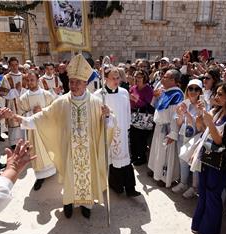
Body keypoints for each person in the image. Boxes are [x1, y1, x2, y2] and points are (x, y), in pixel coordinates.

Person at [13, 54, 114, 219]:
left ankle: (86, 204)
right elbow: (44, 116)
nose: (73, 85)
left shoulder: (96, 101)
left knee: (86, 178)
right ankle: (68, 202)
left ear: (85, 83)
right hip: (69, 149)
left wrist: (107, 115)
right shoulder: (62, 101)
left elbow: (110, 123)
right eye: (71, 82)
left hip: (88, 151)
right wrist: (23, 120)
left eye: (77, 82)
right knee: (70, 176)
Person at [191, 81, 226, 234]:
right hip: (207, 158)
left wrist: (208, 121)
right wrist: (200, 117)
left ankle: (209, 231)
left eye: (220, 94)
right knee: (203, 192)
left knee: (213, 195)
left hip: (221, 163)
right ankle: (198, 224)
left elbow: (221, 142)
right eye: (216, 93)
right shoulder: (217, 110)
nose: (216, 96)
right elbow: (204, 132)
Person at [94, 67, 141, 197]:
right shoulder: (98, 95)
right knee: (112, 159)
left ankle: (130, 188)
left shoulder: (124, 92)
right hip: (108, 132)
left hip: (122, 131)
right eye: (113, 78)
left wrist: (127, 127)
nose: (116, 81)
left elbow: (127, 110)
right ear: (105, 79)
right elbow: (95, 116)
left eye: (118, 78)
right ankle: (117, 185)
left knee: (125, 159)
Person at [18, 70, 56, 191]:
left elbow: (55, 109)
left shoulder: (47, 94)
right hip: (33, 132)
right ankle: (40, 177)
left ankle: (53, 170)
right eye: (28, 80)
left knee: (49, 150)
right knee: (36, 152)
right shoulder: (23, 98)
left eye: (32, 80)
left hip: (46, 128)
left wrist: (43, 110)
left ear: (38, 80)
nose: (30, 82)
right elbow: (21, 115)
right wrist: (31, 113)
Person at [148, 69, 184, 187]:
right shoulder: (165, 91)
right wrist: (156, 96)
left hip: (168, 129)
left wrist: (173, 133)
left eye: (166, 76)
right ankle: (156, 172)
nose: (162, 78)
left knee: (166, 155)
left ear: (173, 80)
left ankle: (166, 178)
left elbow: (175, 115)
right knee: (158, 152)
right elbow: (157, 108)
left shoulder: (177, 94)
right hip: (160, 127)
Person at [172, 79, 203, 198]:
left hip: (195, 138)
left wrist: (187, 114)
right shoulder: (183, 103)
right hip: (182, 135)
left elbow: (199, 127)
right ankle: (183, 183)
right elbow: (179, 123)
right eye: (191, 88)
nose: (193, 91)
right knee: (182, 161)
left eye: (196, 89)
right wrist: (180, 114)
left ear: (200, 91)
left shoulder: (202, 105)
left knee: (194, 164)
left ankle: (194, 187)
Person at [0, 57, 27, 148]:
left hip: (23, 105)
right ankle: (14, 144)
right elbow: (2, 93)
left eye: (16, 64)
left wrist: (21, 90)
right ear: (9, 66)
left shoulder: (24, 76)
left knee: (24, 123)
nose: (15, 67)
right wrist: (16, 90)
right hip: (12, 105)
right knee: (14, 124)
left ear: (18, 64)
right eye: (12, 65)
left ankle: (25, 142)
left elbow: (29, 91)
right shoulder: (6, 78)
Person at [129, 70, 154, 166]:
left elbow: (147, 104)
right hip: (134, 115)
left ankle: (142, 157)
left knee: (141, 139)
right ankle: (134, 156)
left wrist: (135, 99)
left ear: (145, 78)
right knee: (133, 137)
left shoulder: (148, 89)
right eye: (135, 76)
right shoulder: (133, 88)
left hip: (144, 117)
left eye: (139, 77)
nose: (137, 79)